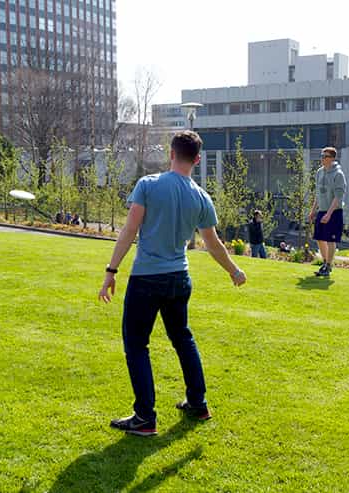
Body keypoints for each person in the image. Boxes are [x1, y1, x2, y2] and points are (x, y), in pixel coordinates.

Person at [99, 130, 247, 437]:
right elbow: (213, 244)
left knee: (137, 344)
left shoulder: (149, 185)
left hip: (147, 278)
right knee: (182, 338)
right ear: (196, 159)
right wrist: (234, 271)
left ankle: (144, 418)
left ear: (170, 153)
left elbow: (129, 230)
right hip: (179, 278)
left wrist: (111, 270)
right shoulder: (201, 196)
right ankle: (198, 402)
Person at [309, 147, 347, 278]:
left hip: (334, 211)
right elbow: (318, 194)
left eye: (325, 156)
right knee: (319, 238)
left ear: (332, 158)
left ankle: (329, 266)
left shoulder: (338, 174)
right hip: (322, 210)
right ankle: (325, 262)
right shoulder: (319, 172)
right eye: (321, 155)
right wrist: (313, 210)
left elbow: (338, 197)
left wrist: (329, 214)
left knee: (330, 240)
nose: (322, 158)